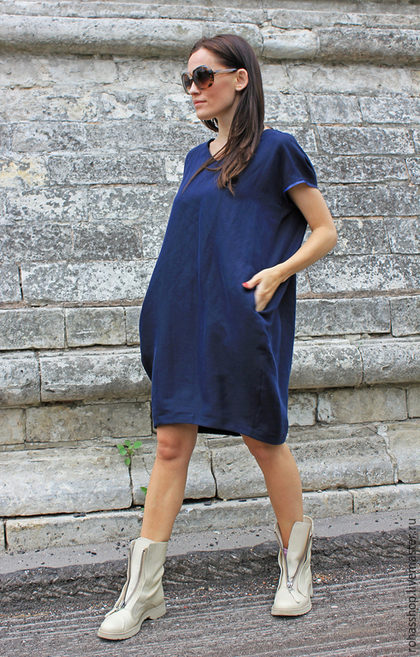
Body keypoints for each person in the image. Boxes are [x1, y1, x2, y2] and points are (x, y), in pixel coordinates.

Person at [97, 33, 337, 641]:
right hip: (183, 316)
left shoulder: (278, 150)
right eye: (188, 80)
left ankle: (296, 571)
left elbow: (324, 231)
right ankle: (144, 590)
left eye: (203, 76)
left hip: (242, 317)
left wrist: (277, 274)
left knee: (263, 437)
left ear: (240, 78)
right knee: (170, 444)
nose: (194, 89)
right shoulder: (194, 159)